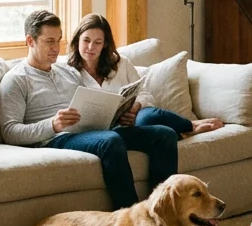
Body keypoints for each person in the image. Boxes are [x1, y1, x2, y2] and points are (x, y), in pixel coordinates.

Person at [0, 10, 177, 210]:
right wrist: (52, 125)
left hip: (88, 131)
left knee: (164, 135)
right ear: (30, 41)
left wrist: (115, 114)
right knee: (109, 141)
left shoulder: (68, 71)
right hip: (54, 139)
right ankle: (132, 218)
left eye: (58, 41)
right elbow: (10, 132)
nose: (56, 48)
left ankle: (163, 210)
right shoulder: (16, 80)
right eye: (49, 41)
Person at [67, 13, 224, 139]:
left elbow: (145, 94)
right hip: (100, 131)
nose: (90, 47)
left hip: (134, 119)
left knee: (150, 117)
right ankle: (187, 129)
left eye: (97, 42)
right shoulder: (67, 71)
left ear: (105, 44)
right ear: (77, 40)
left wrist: (135, 108)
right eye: (86, 40)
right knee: (155, 130)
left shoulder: (121, 63)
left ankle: (189, 125)